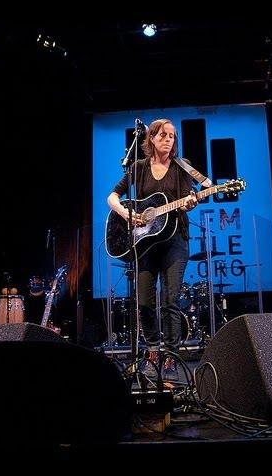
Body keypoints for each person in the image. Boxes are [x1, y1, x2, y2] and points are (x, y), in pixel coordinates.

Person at [107, 119, 197, 381]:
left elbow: (190, 198)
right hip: (145, 243)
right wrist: (126, 213)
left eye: (172, 136)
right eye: (163, 135)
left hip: (174, 242)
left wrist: (191, 202)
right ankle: (153, 350)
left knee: (170, 301)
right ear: (152, 139)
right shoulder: (138, 168)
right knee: (145, 302)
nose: (168, 139)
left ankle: (171, 356)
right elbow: (112, 197)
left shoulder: (182, 167)